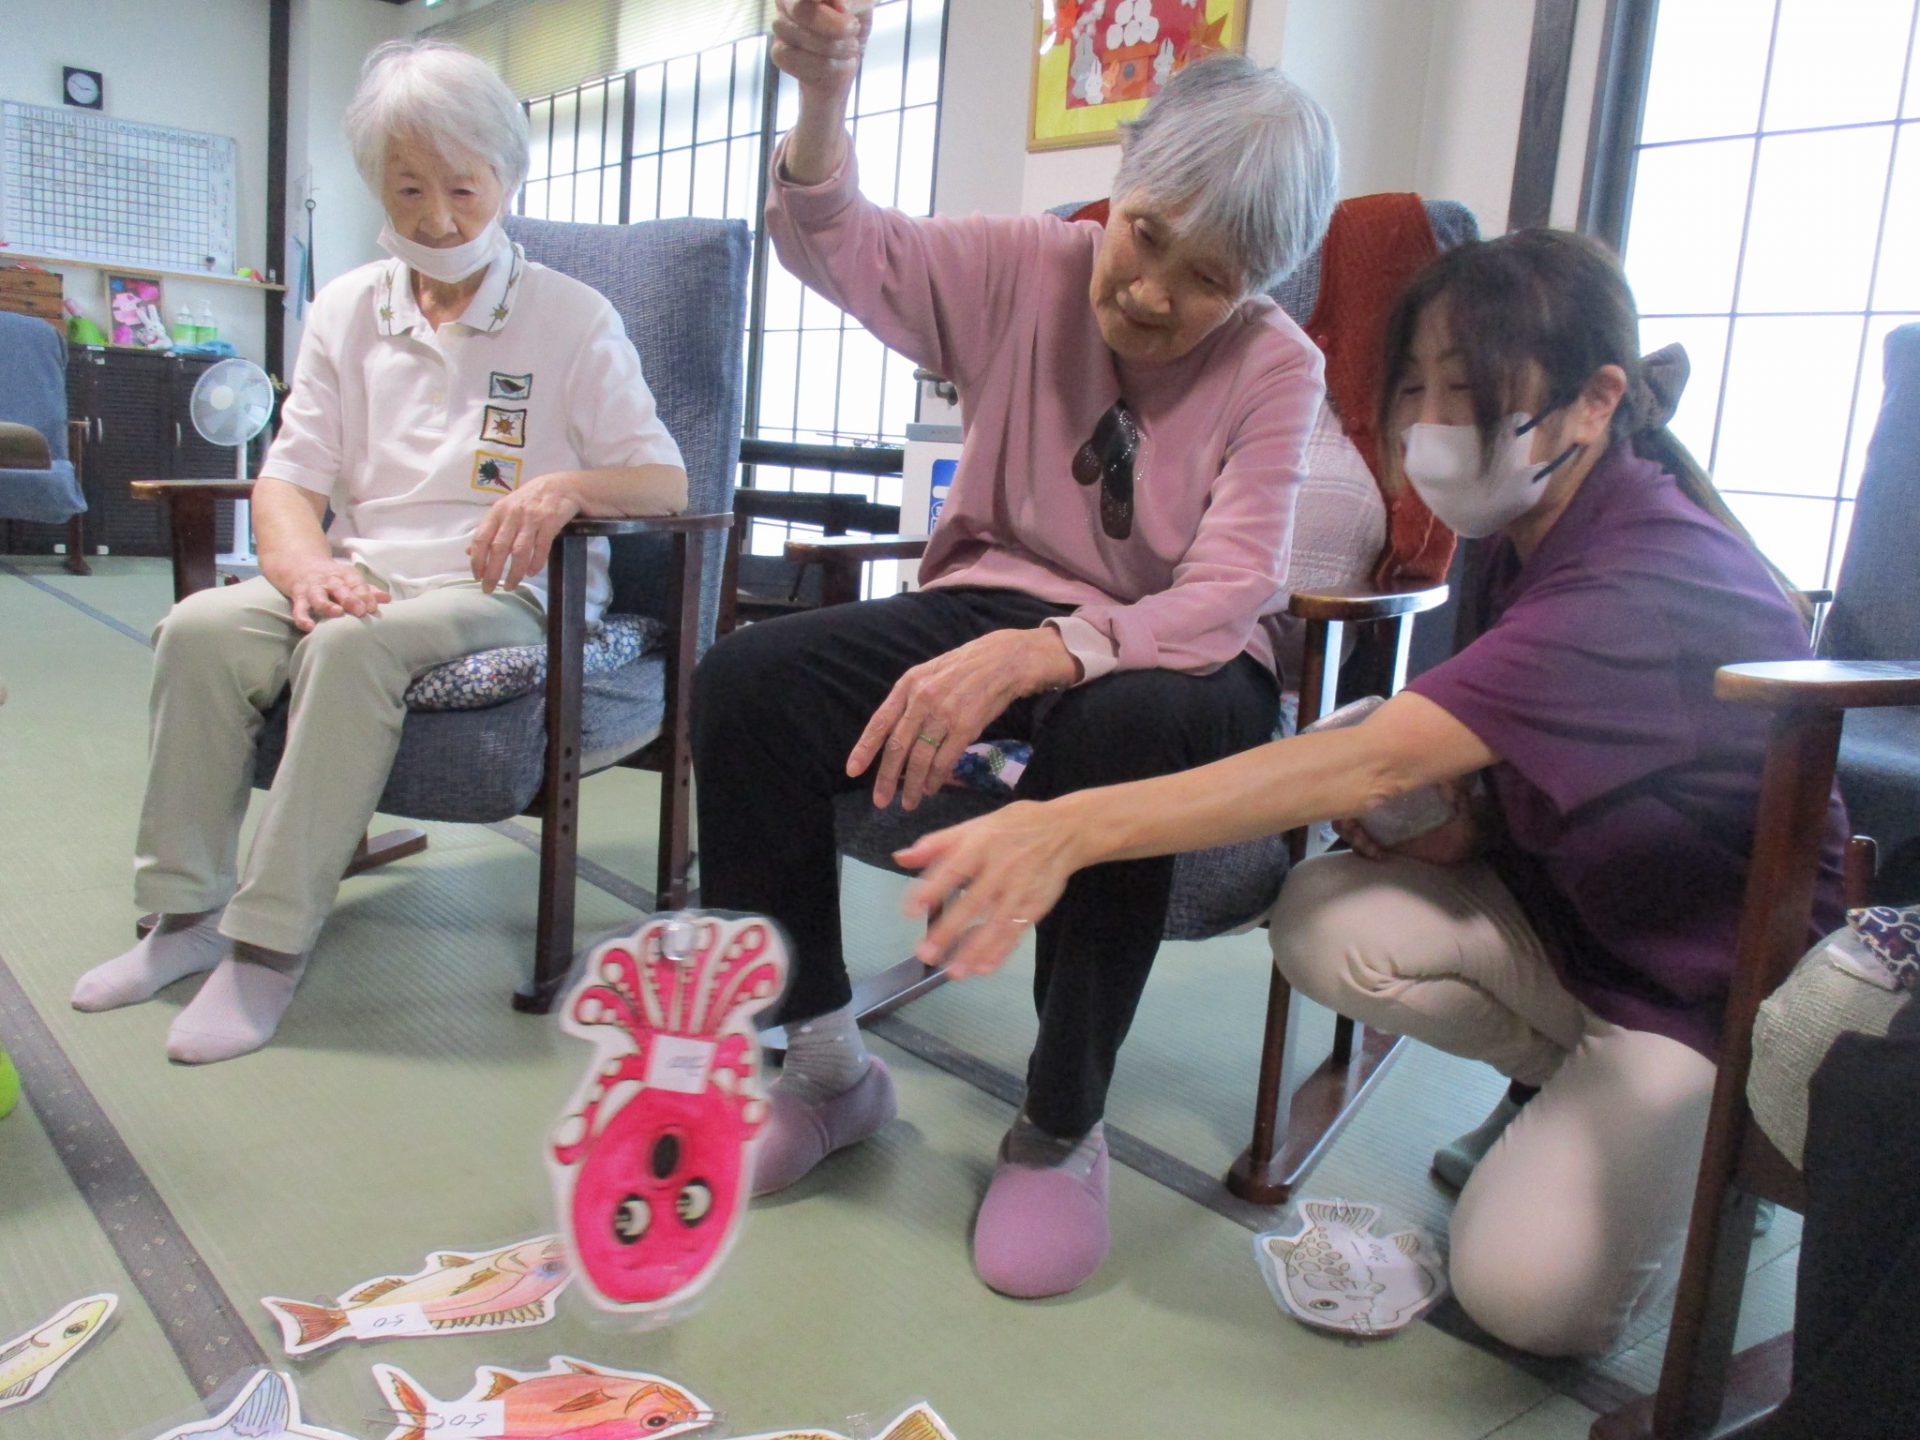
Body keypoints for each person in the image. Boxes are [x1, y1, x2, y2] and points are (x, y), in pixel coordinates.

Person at [895, 230, 1849, 1354]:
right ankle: (1557, 1080)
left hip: (1698, 998)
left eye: (1470, 390)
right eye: (1416, 389)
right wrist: (1478, 823)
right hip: (1575, 929)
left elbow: (1376, 760)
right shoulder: (1521, 530)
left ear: (1596, 402)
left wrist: (1062, 826)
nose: (1432, 424)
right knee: (1325, 918)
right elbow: (1512, 753)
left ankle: (1684, 1140)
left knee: (1523, 1301)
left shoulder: (1647, 574)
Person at [692, 2, 1338, 1298]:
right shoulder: (1031, 267)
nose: (1154, 294)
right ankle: (822, 1065)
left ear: (1257, 288)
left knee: (1121, 729)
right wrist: (824, 94)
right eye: (1148, 238)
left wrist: (1063, 649)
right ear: (1122, 183)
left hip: (1184, 664)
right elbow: (837, 243)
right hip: (1002, 603)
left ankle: (1059, 1122)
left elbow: (1230, 592)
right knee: (747, 684)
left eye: (1209, 280)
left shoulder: (1280, 369)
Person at [71, 39, 688, 1064]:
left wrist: (566, 485)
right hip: (370, 572)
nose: (438, 218)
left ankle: (266, 950)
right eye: (409, 189)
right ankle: (181, 920)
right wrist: (304, 567)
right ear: (374, 183)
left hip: (506, 590)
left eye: (463, 187)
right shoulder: (346, 308)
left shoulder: (574, 320)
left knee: (353, 649)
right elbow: (289, 476)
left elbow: (664, 482)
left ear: (508, 178)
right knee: (201, 630)